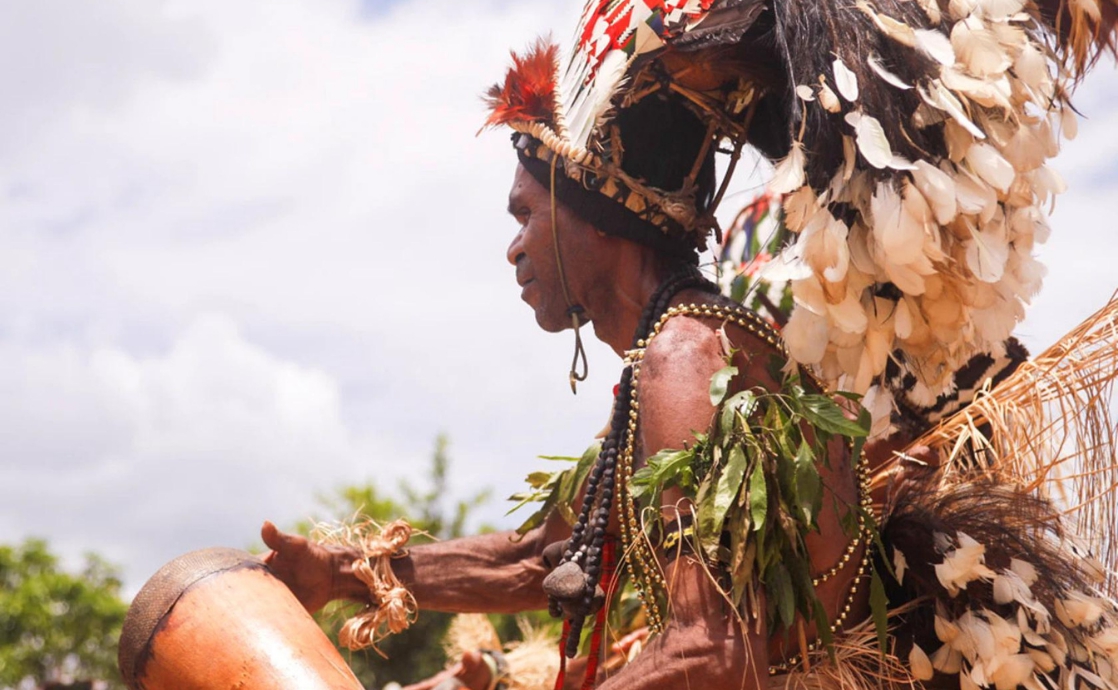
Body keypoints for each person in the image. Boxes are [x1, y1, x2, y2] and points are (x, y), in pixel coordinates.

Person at [263, 1, 1118, 688]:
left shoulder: (689, 357)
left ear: (596, 214)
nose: (514, 247)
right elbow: (543, 556)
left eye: (526, 214)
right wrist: (341, 573)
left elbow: (713, 653)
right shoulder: (679, 359)